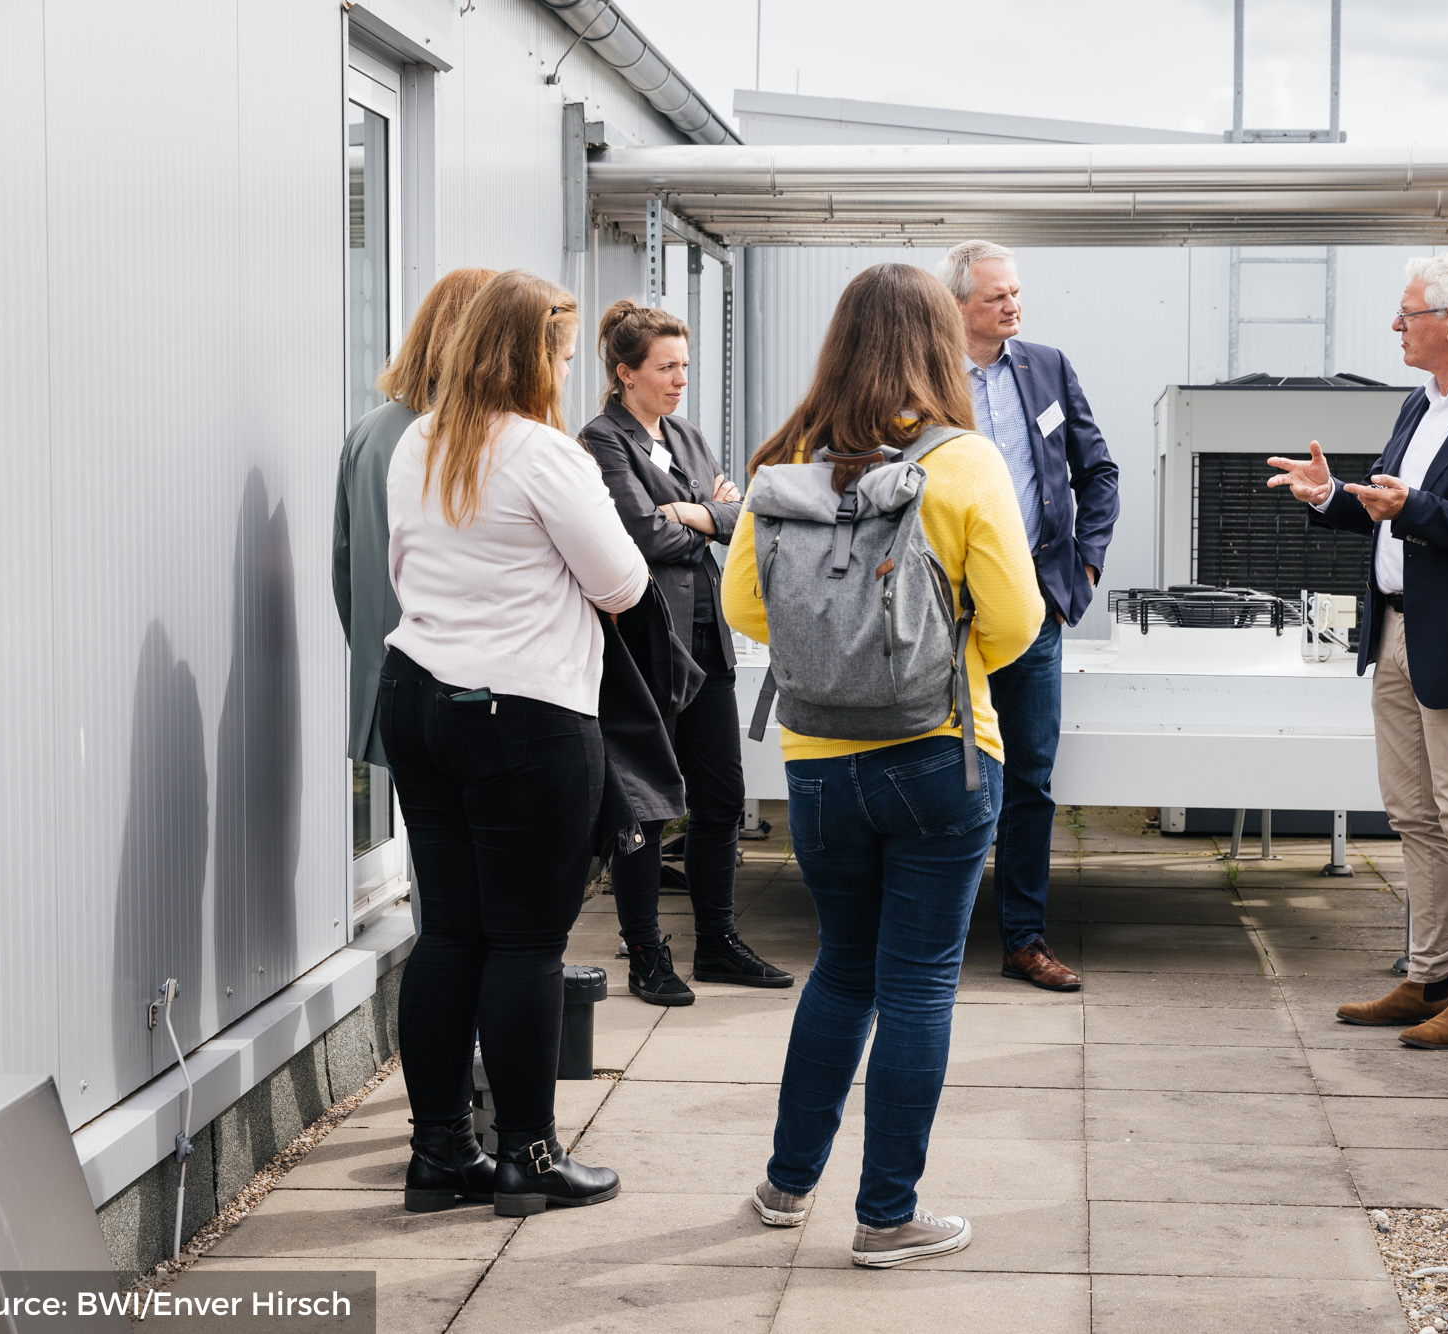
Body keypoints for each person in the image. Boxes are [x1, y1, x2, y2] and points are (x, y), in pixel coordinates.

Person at [723, 263, 1043, 1267]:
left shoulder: (786, 459)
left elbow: (742, 610)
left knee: (840, 971)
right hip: (938, 756)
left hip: (817, 763)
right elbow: (1018, 621)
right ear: (937, 344)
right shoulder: (963, 461)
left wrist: (831, 659)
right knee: (917, 987)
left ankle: (784, 1183)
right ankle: (885, 1213)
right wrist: (934, 659)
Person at [381, 271, 648, 1217]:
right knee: (528, 943)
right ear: (533, 356)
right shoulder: (544, 454)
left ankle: (440, 1155)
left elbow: (403, 570)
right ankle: (528, 1159)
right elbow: (622, 585)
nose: (569, 372)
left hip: (416, 697)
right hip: (524, 715)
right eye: (566, 356)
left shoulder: (419, 441)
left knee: (450, 931)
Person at [1267, 252, 1448, 1050]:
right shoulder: (1422, 403)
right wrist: (1332, 498)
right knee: (1414, 816)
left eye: (1408, 313)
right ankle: (1432, 975)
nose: (1396, 326)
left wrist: (1414, 506)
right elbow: (1398, 513)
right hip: (1393, 630)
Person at [579, 299, 792, 1004]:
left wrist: (696, 514)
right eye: (666, 367)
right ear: (625, 372)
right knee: (644, 806)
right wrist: (707, 516)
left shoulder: (689, 438)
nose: (678, 380)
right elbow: (638, 536)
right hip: (647, 649)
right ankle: (645, 951)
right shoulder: (603, 441)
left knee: (721, 800)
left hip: (709, 644)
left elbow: (746, 516)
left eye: (684, 367)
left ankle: (717, 943)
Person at [933, 240, 1120, 992]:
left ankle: (1022, 938)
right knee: (941, 768)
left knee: (1031, 774)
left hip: (1034, 600)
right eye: (994, 297)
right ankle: (933, 931)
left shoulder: (1046, 366)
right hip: (945, 608)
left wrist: (1087, 561)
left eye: (1015, 293)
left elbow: (1096, 469)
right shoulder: (922, 374)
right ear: (956, 306)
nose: (1012, 306)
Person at [333, 266, 496, 768]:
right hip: (471, 690)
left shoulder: (367, 432)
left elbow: (345, 569)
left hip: (392, 676)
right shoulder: (482, 436)